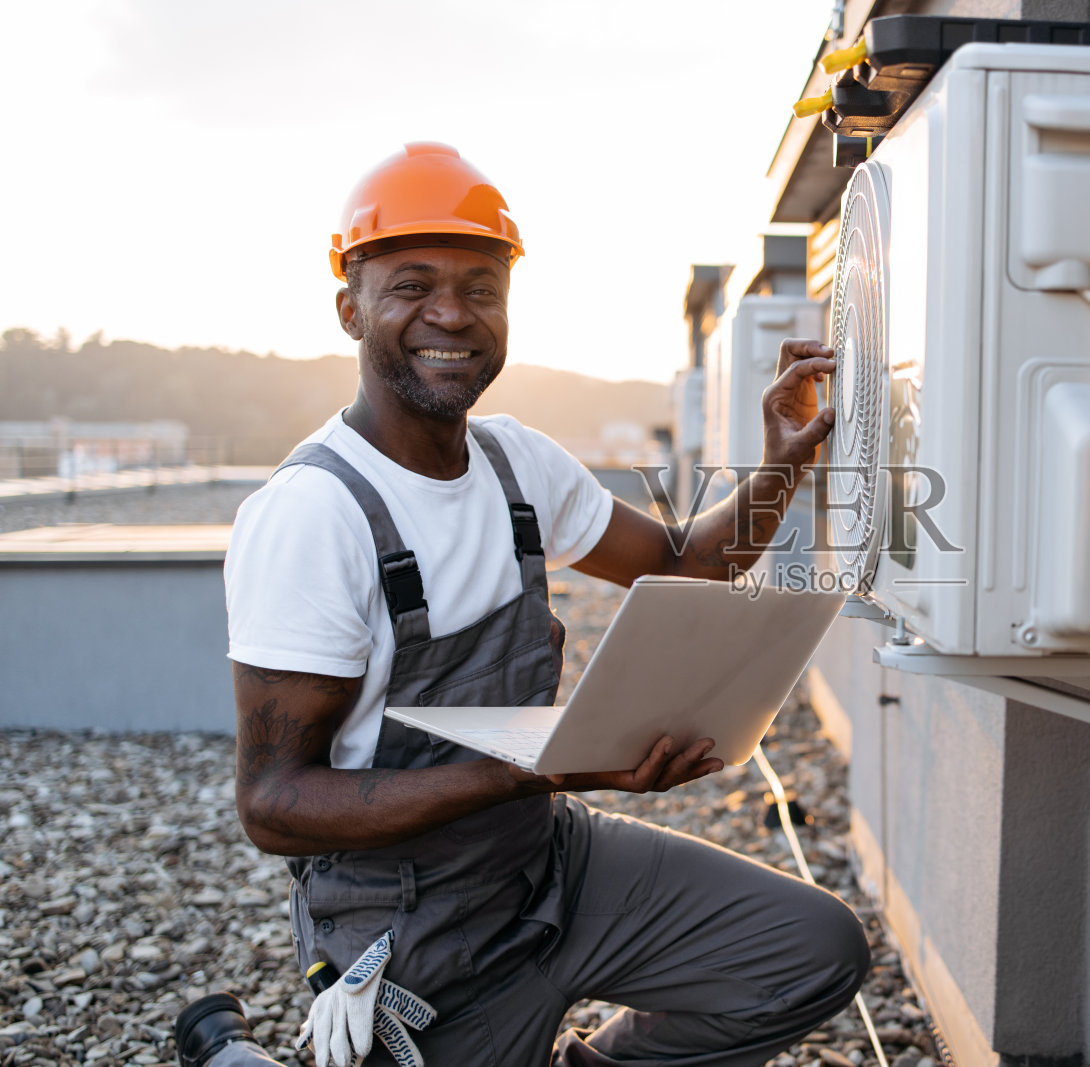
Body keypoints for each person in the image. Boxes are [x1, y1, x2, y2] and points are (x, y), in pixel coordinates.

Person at [203, 142, 869, 1067]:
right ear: (349, 306)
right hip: (415, 927)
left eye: (481, 286)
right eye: (411, 285)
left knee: (808, 951)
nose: (451, 313)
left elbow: (684, 561)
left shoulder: (516, 462)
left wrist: (780, 462)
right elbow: (273, 804)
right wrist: (534, 769)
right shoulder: (312, 515)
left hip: (545, 862)